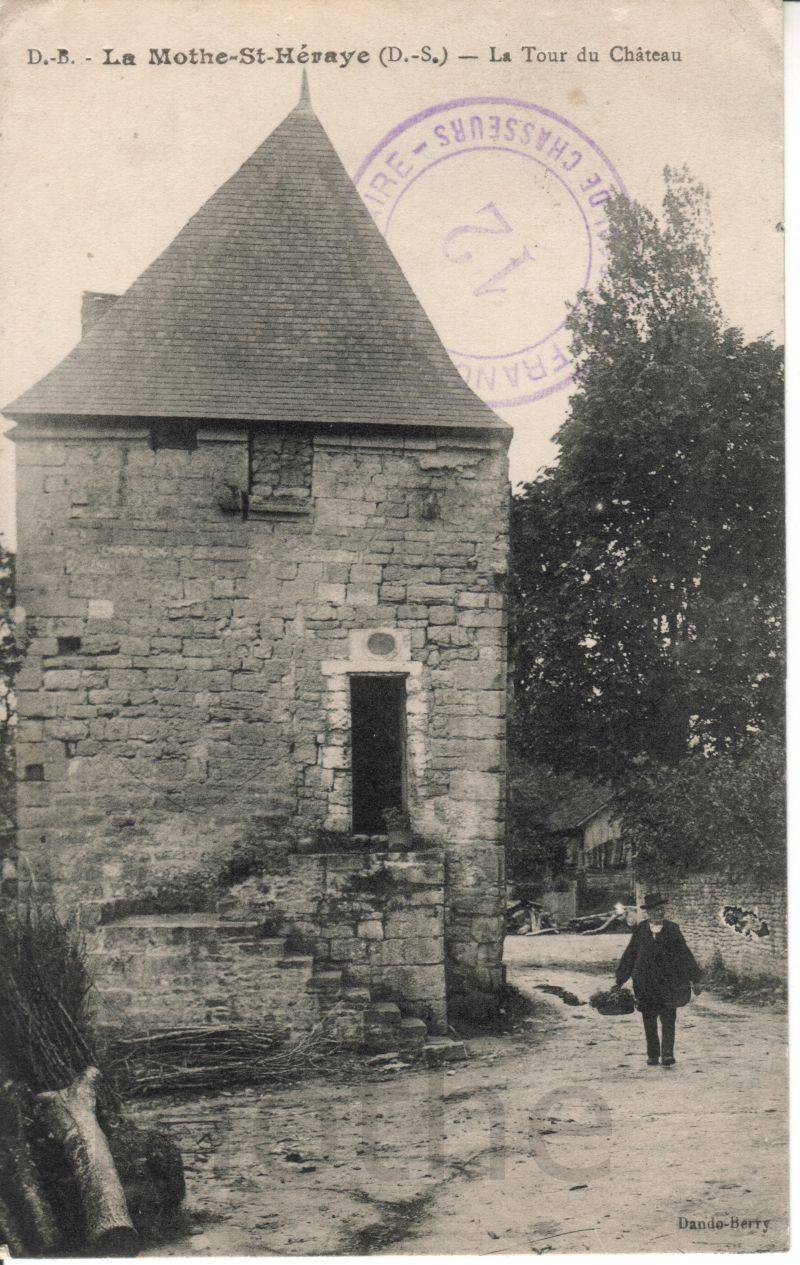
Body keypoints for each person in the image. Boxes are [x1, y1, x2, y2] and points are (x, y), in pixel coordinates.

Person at [612, 892, 702, 1068]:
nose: (660, 913)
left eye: (662, 910)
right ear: (649, 912)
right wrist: (619, 980)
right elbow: (630, 955)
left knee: (669, 1018)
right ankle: (653, 1054)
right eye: (656, 910)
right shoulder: (640, 930)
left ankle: (667, 1054)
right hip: (645, 983)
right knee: (649, 1019)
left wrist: (695, 979)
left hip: (670, 983)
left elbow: (685, 955)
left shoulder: (673, 929)